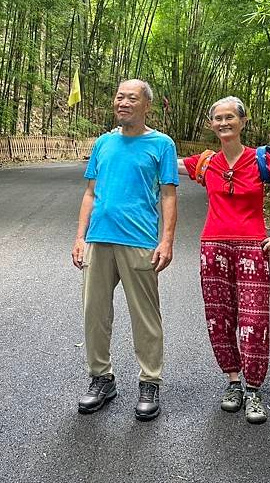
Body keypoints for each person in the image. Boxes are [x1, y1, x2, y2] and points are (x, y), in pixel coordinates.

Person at [178, 96, 270, 424]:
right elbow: (164, 162)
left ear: (242, 122)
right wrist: (133, 136)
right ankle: (233, 382)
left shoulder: (259, 159)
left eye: (230, 117)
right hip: (213, 247)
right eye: (218, 118)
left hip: (252, 248)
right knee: (219, 316)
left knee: (253, 319)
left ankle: (254, 388)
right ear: (211, 124)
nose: (224, 123)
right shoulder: (206, 163)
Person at [72, 79, 178, 421]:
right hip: (99, 239)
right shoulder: (103, 143)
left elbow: (168, 195)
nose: (123, 102)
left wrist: (167, 240)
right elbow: (90, 192)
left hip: (139, 241)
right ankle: (101, 378)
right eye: (119, 96)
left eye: (132, 98)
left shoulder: (161, 144)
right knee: (94, 313)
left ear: (146, 105)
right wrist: (79, 237)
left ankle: (150, 381)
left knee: (145, 316)